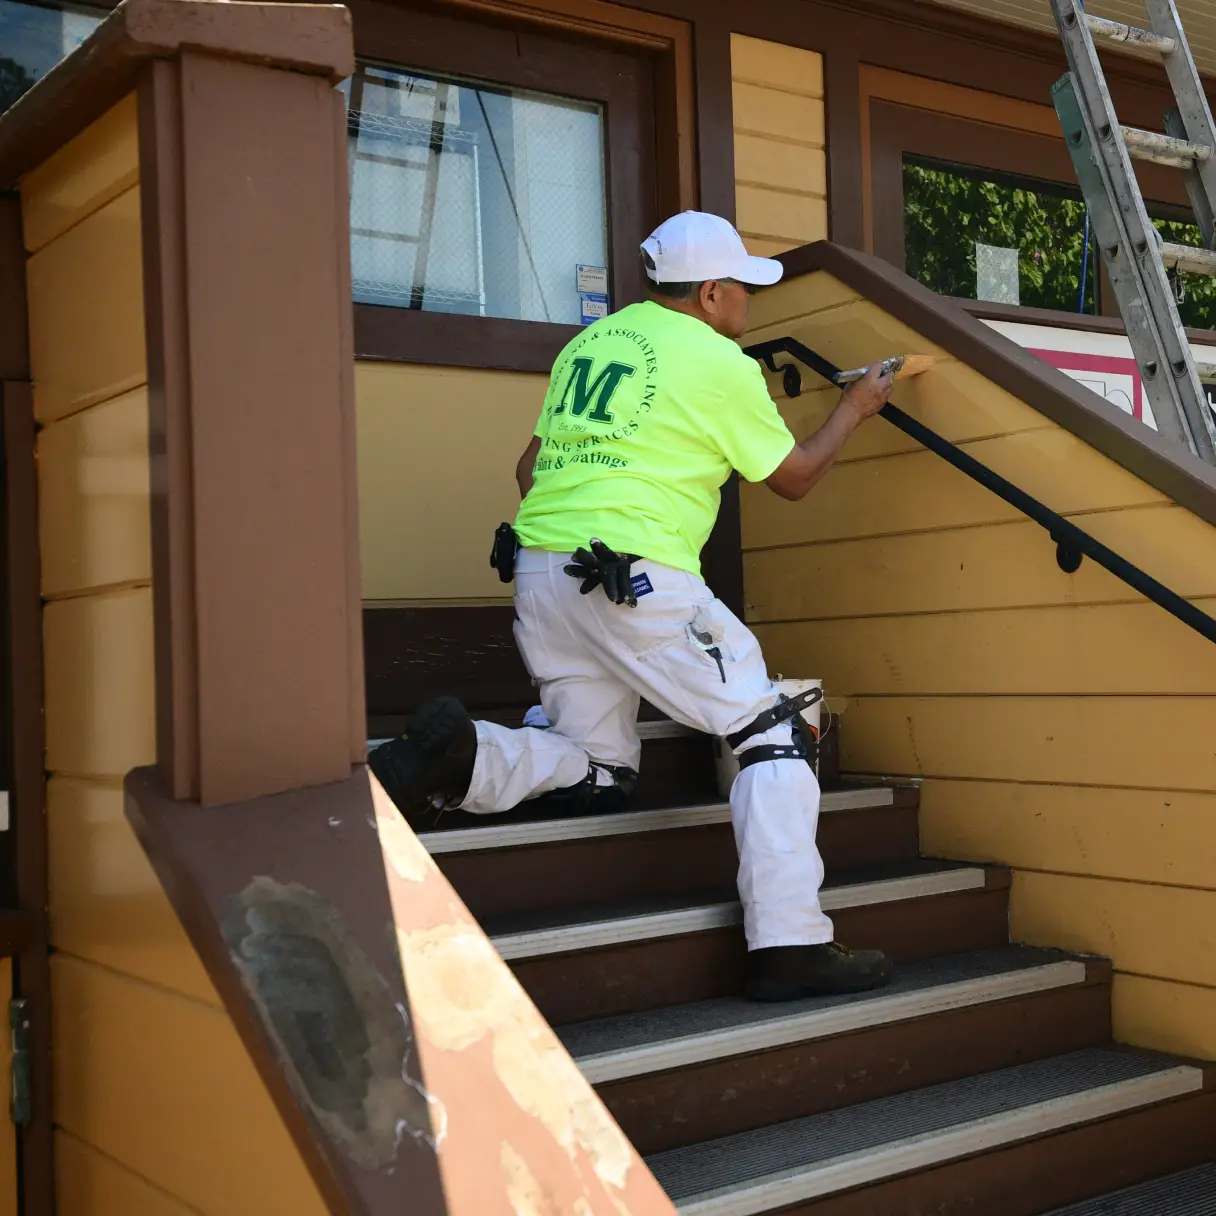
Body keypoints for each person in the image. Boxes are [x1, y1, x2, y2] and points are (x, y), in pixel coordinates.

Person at [370, 211, 896, 1000]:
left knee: (601, 768)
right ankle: (789, 942)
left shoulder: (593, 343)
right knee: (769, 728)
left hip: (543, 571)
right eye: (743, 290)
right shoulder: (720, 361)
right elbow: (790, 477)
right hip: (632, 577)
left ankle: (463, 759)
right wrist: (855, 409)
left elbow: (529, 467)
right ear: (712, 292)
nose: (749, 306)